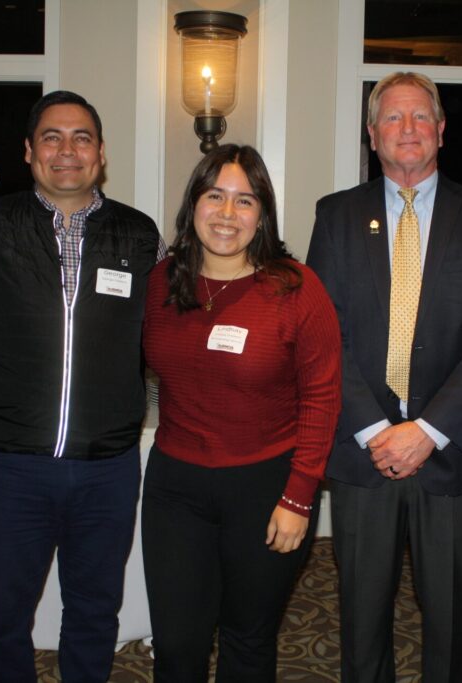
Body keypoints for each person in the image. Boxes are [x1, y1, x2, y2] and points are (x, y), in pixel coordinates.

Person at [307, 72, 462, 682]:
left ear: (442, 130)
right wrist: (377, 429)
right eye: (393, 119)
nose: (407, 129)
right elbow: (324, 337)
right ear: (372, 135)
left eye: (420, 117)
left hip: (451, 453)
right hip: (363, 454)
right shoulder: (337, 215)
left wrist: (427, 429)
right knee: (361, 617)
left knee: (453, 620)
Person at [0, 90, 163, 682]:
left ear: (101, 154)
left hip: (107, 469)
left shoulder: (141, 236)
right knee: (3, 616)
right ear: (28, 151)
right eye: (52, 137)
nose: (66, 150)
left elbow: (176, 332)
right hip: (9, 467)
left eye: (81, 138)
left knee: (96, 613)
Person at [142, 144, 341, 682]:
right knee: (177, 643)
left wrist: (300, 496)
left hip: (266, 487)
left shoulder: (296, 288)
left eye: (244, 201)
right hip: (174, 487)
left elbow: (322, 398)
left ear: (262, 215)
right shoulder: (161, 283)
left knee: (247, 639)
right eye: (215, 196)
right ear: (193, 205)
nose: (227, 215)